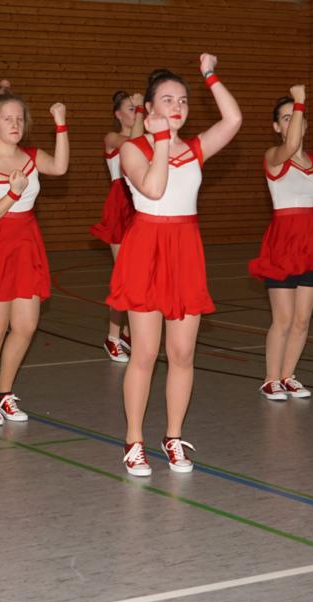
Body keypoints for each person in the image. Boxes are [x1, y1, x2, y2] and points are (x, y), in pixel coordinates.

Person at [109, 55, 241, 476]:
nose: (178, 106)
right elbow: (153, 188)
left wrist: (210, 76)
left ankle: (173, 436)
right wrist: (162, 140)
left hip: (185, 250)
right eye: (167, 100)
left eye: (183, 100)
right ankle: (134, 441)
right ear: (148, 108)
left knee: (182, 353)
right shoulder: (132, 149)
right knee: (145, 353)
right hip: (146, 248)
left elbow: (234, 120)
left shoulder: (197, 149)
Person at [0, 92, 68, 426]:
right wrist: (13, 193)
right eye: (7, 118)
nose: (15, 124)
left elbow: (60, 167)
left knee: (25, 327)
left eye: (20, 119)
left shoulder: (32, 157)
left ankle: (3, 392)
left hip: (26, 244)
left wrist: (61, 125)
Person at [248, 85, 313, 400]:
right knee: (283, 319)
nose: (294, 122)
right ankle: (270, 379)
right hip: (282, 243)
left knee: (302, 320)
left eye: (298, 117)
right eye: (286, 118)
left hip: (311, 244)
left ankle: (288, 375)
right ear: (277, 127)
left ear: (306, 125)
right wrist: (301, 100)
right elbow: (291, 146)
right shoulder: (274, 156)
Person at [92, 90, 146, 362]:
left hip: (142, 202)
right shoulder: (112, 137)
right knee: (124, 275)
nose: (135, 112)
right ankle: (112, 337)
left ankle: (127, 332)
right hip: (121, 203)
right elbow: (134, 143)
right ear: (118, 114)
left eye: (137, 108)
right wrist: (142, 111)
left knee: (142, 275)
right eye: (130, 108)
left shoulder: (145, 137)